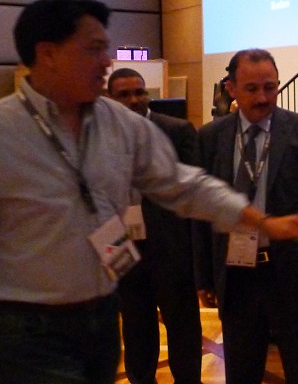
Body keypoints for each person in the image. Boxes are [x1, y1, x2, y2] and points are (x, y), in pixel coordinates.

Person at [0, 0, 298, 384]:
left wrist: (260, 221)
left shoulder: (120, 125)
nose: (106, 61)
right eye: (93, 49)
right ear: (48, 54)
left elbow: (183, 184)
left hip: (100, 317)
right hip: (23, 327)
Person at [195, 49, 298, 384]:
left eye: (270, 87)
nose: (263, 98)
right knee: (241, 372)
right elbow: (202, 211)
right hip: (236, 276)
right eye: (252, 89)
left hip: (293, 273)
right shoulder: (211, 137)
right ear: (231, 88)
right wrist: (203, 276)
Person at [106, 68, 203, 384]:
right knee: (136, 330)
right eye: (124, 94)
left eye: (139, 92)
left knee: (183, 330)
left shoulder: (177, 131)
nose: (134, 100)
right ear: (110, 99)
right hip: (123, 249)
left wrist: (195, 257)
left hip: (171, 251)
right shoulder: (99, 137)